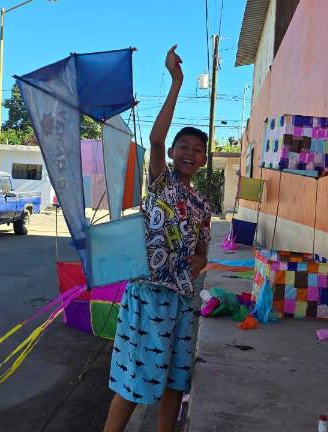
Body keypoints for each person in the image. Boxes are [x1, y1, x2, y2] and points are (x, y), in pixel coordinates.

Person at [103, 45, 212, 432]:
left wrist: (200, 261)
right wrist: (176, 82)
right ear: (173, 153)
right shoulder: (161, 183)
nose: (188, 152)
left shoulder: (202, 203)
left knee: (174, 381)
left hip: (181, 299)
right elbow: (155, 137)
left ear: (203, 160)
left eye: (196, 150)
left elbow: (201, 250)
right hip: (148, 294)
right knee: (136, 382)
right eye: (183, 146)